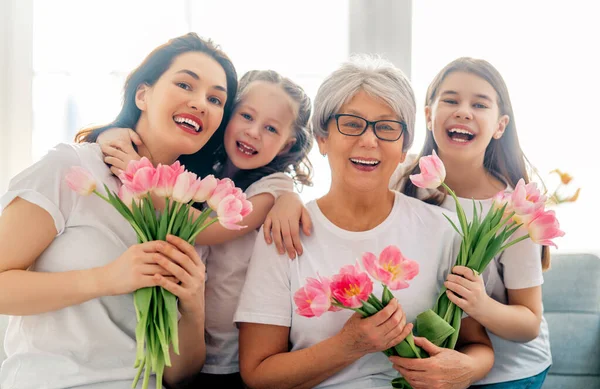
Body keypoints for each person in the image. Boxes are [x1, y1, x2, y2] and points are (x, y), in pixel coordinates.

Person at [264, 57, 552, 388]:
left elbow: (529, 322)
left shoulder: (511, 212)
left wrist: (479, 307)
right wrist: (287, 195)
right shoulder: (405, 177)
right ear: (429, 116)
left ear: (500, 125)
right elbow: (353, 191)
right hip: (443, 366)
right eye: (451, 99)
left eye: (479, 103)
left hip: (512, 366)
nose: (463, 111)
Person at [0, 32, 238, 389]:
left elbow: (180, 375)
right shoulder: (73, 168)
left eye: (216, 99)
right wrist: (107, 278)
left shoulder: (190, 215)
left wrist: (192, 304)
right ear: (142, 94)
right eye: (185, 84)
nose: (201, 103)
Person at [97, 69, 313, 388]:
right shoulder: (198, 167)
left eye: (270, 128)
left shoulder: (272, 189)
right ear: (227, 116)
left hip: (230, 360)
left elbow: (204, 229)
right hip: (180, 340)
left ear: (285, 145)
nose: (253, 132)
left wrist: (137, 173)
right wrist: (109, 136)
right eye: (246, 116)